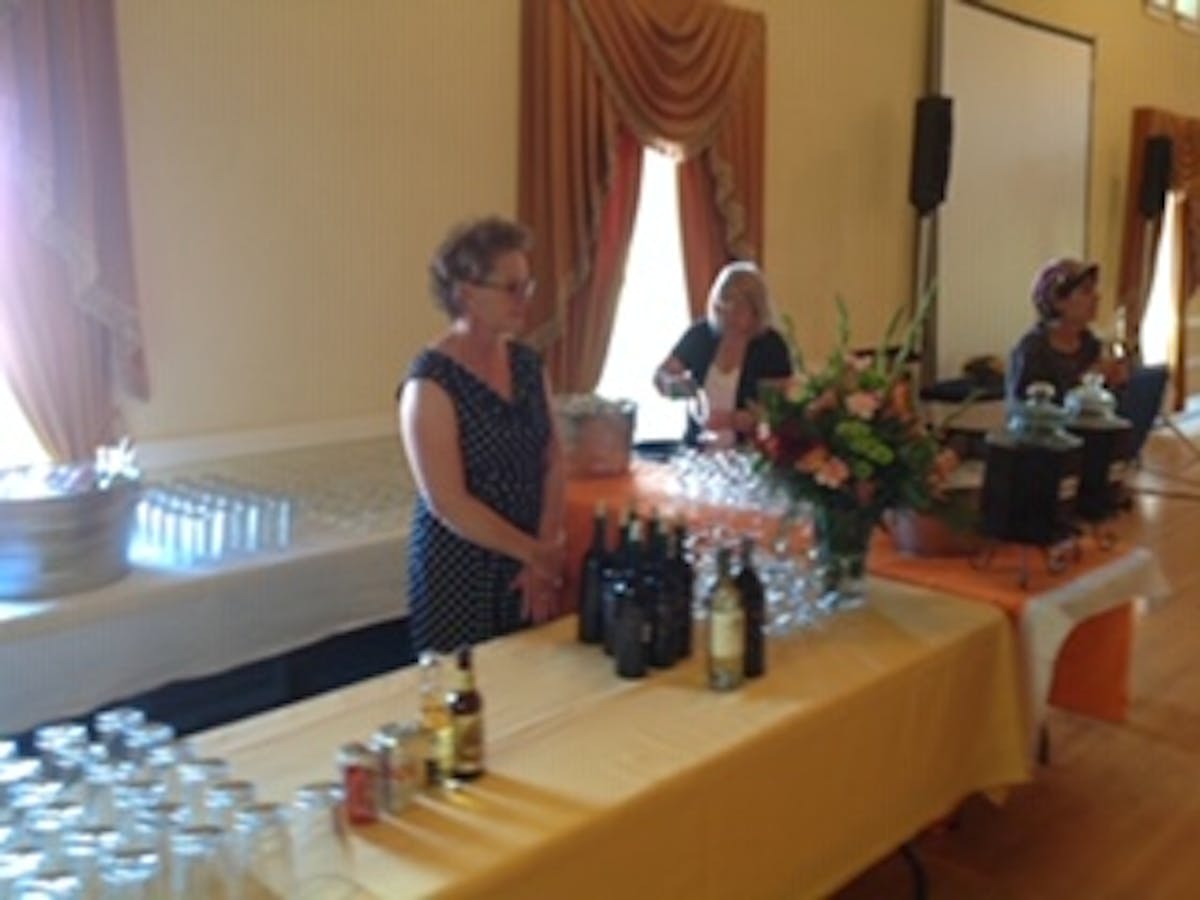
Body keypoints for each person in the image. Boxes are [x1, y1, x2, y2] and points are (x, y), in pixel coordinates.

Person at [398, 217, 565, 652]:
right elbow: (447, 502)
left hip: (528, 565)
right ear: (466, 293)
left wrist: (544, 551)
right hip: (460, 573)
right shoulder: (430, 382)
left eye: (528, 286)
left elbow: (553, 459)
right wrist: (534, 553)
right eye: (511, 288)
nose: (525, 300)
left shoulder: (528, 364)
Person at [653, 261, 793, 446]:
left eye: (739, 308)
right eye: (723, 306)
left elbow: (775, 413)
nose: (729, 315)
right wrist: (675, 387)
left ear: (756, 310)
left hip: (749, 455)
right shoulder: (701, 335)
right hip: (697, 452)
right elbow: (661, 376)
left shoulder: (770, 346)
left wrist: (731, 420)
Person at [1007, 258, 1130, 405]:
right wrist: (1085, 382)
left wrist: (1117, 384)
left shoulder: (1091, 345)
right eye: (1086, 291)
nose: (1097, 297)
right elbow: (1028, 410)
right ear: (1058, 301)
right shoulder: (1032, 350)